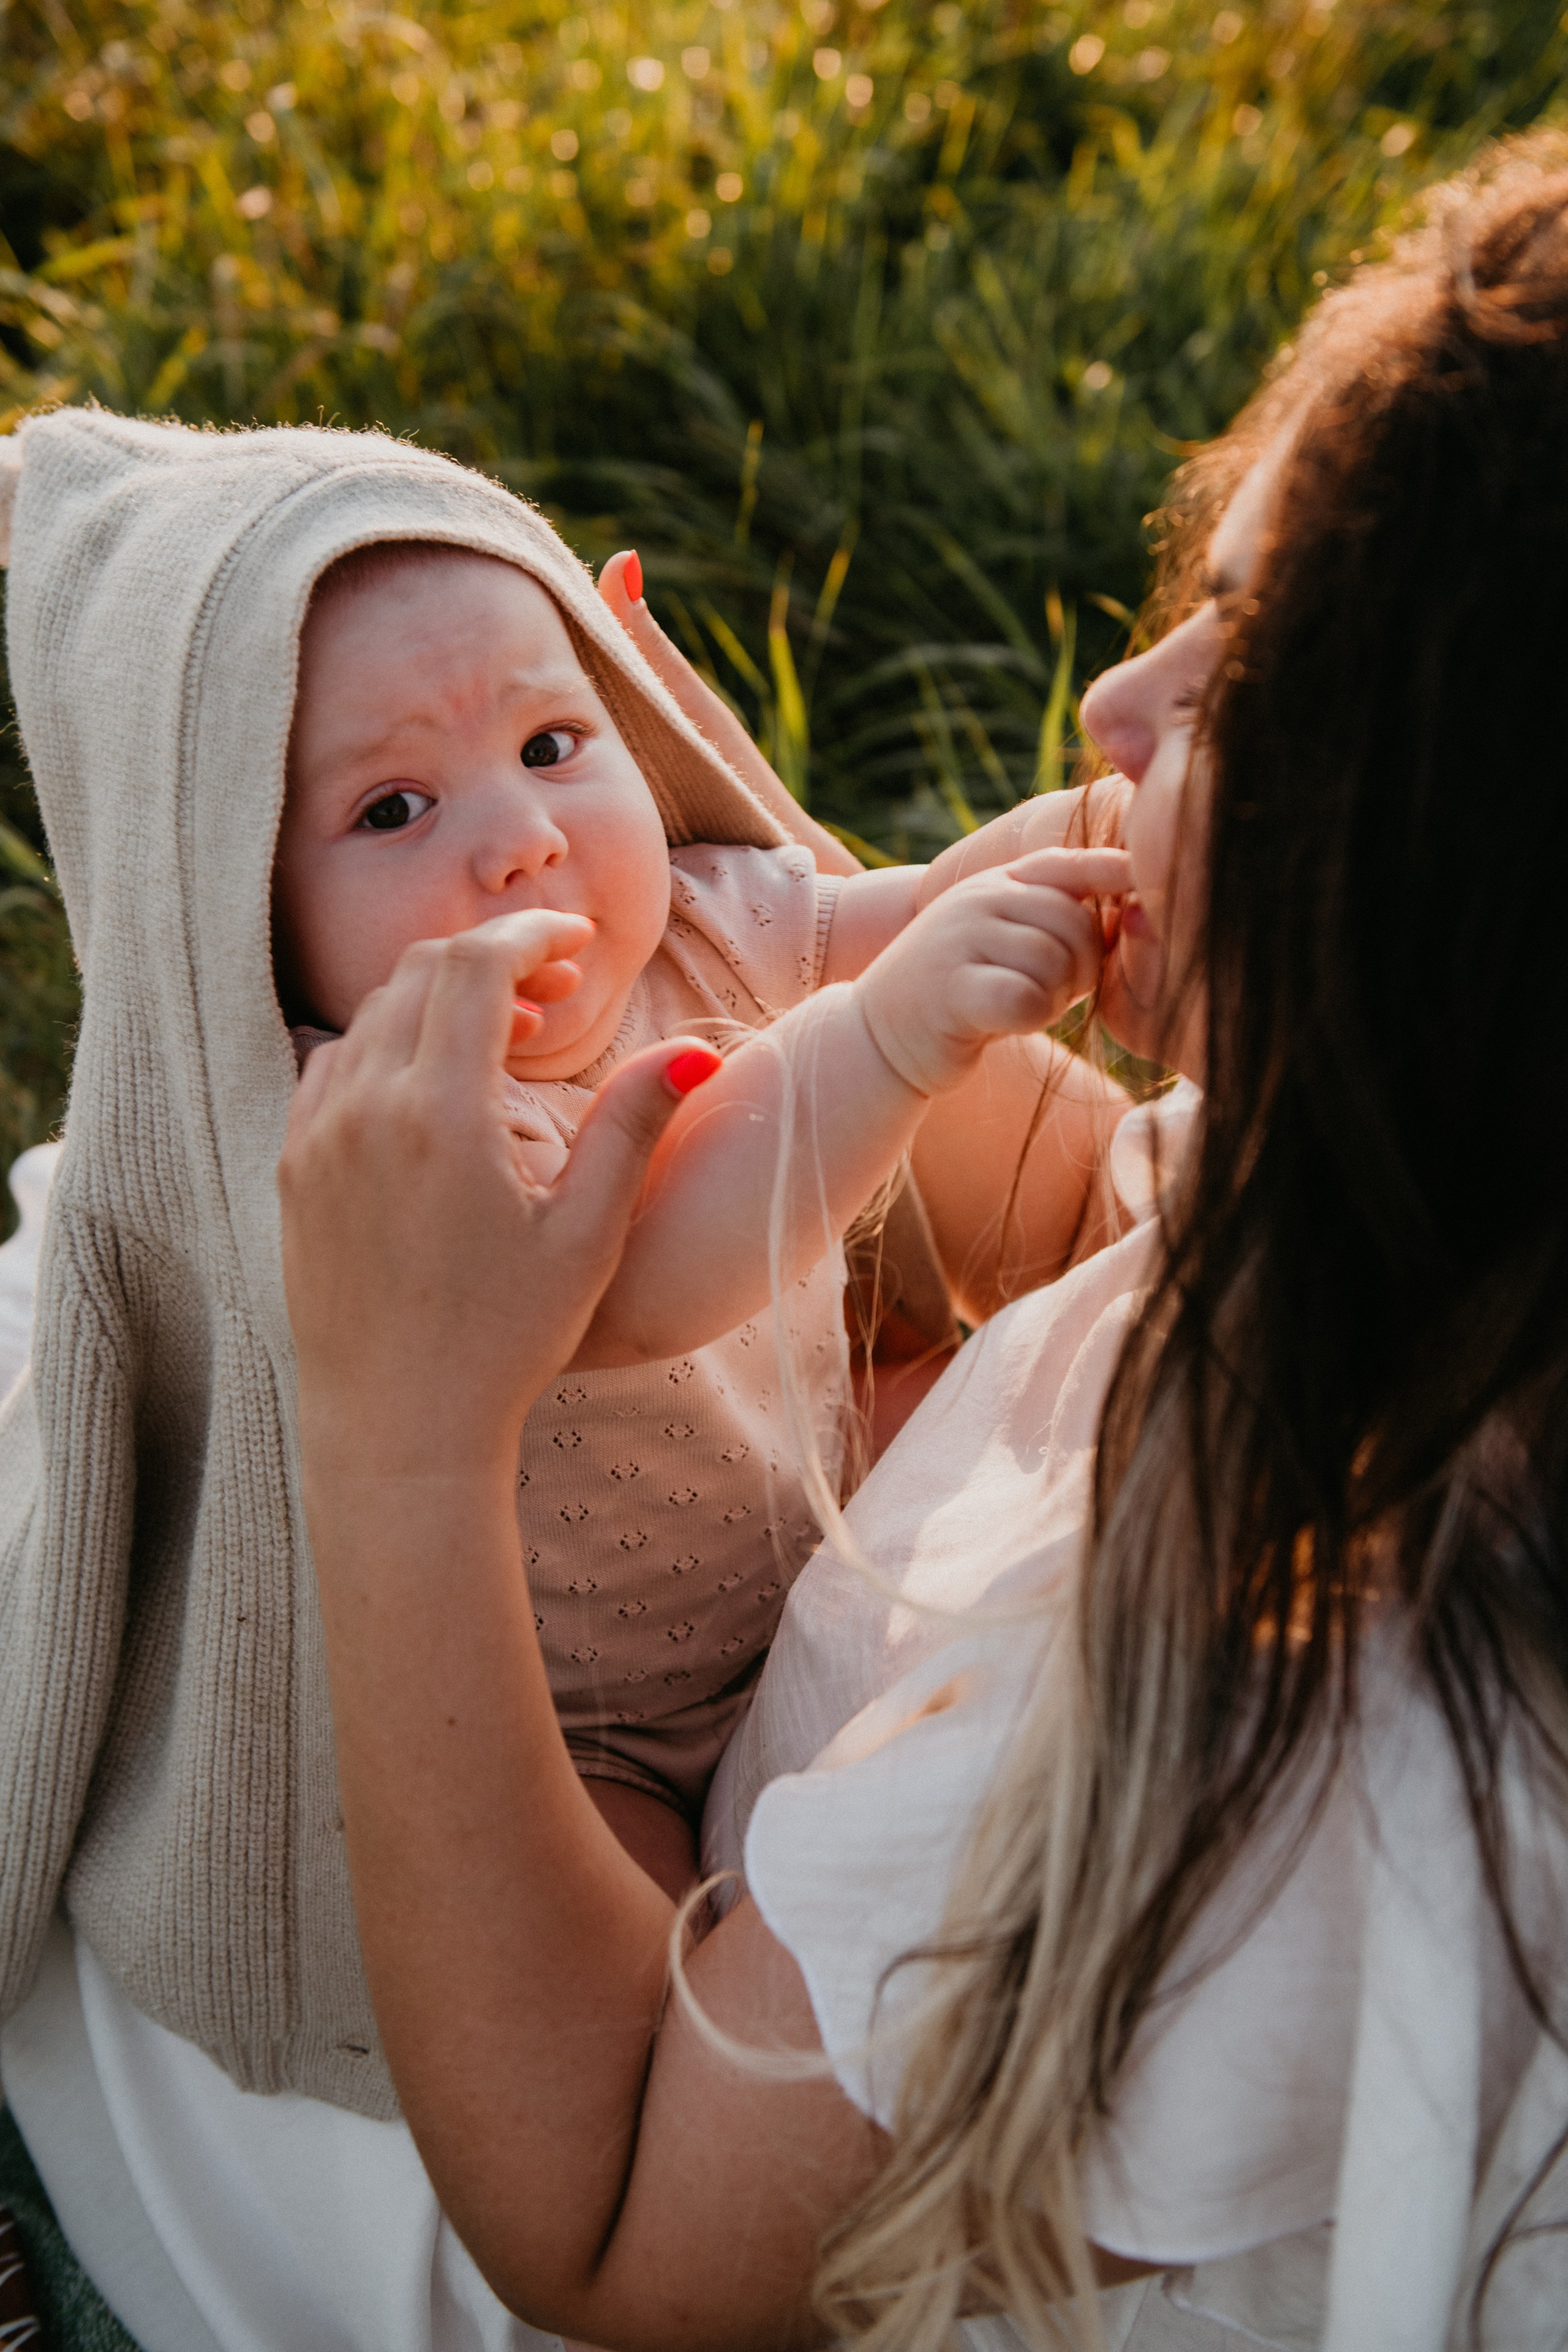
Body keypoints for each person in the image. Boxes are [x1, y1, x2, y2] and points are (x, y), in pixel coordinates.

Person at [281, 138, 1568, 2352]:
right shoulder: (1458, 1267)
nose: (1116, 711)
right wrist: (801, 985)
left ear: (1448, 909)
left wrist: (398, 1450)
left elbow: (604, 2229)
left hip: (699, 2169)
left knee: (158, 1999)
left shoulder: (1178, 1675)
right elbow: (1084, 1195)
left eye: (1244, 672)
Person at [0, 405, 1125, 2351]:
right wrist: (896, 1037)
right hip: (570, 1710)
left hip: (758, 1549)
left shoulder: (680, 914)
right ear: (242, 924)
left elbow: (862, 909)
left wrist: (1041, 871)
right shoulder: (399, 1134)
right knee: (653, 1972)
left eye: (548, 745)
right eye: (391, 813)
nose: (523, 837)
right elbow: (662, 1260)